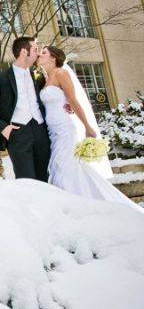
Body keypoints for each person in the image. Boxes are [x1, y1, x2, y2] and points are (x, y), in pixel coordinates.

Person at [37, 45, 143, 213]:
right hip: (52, 130)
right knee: (60, 166)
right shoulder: (44, 78)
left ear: (53, 57)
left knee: (64, 165)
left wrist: (87, 126)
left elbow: (73, 100)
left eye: (43, 53)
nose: (39, 55)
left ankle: (75, 207)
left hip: (65, 128)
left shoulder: (61, 74)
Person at [0, 36, 51, 182]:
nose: (38, 53)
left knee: (44, 178)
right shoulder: (0, 78)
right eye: (35, 49)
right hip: (18, 133)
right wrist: (4, 128)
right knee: (26, 181)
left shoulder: (38, 76)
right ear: (24, 52)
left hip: (40, 130)